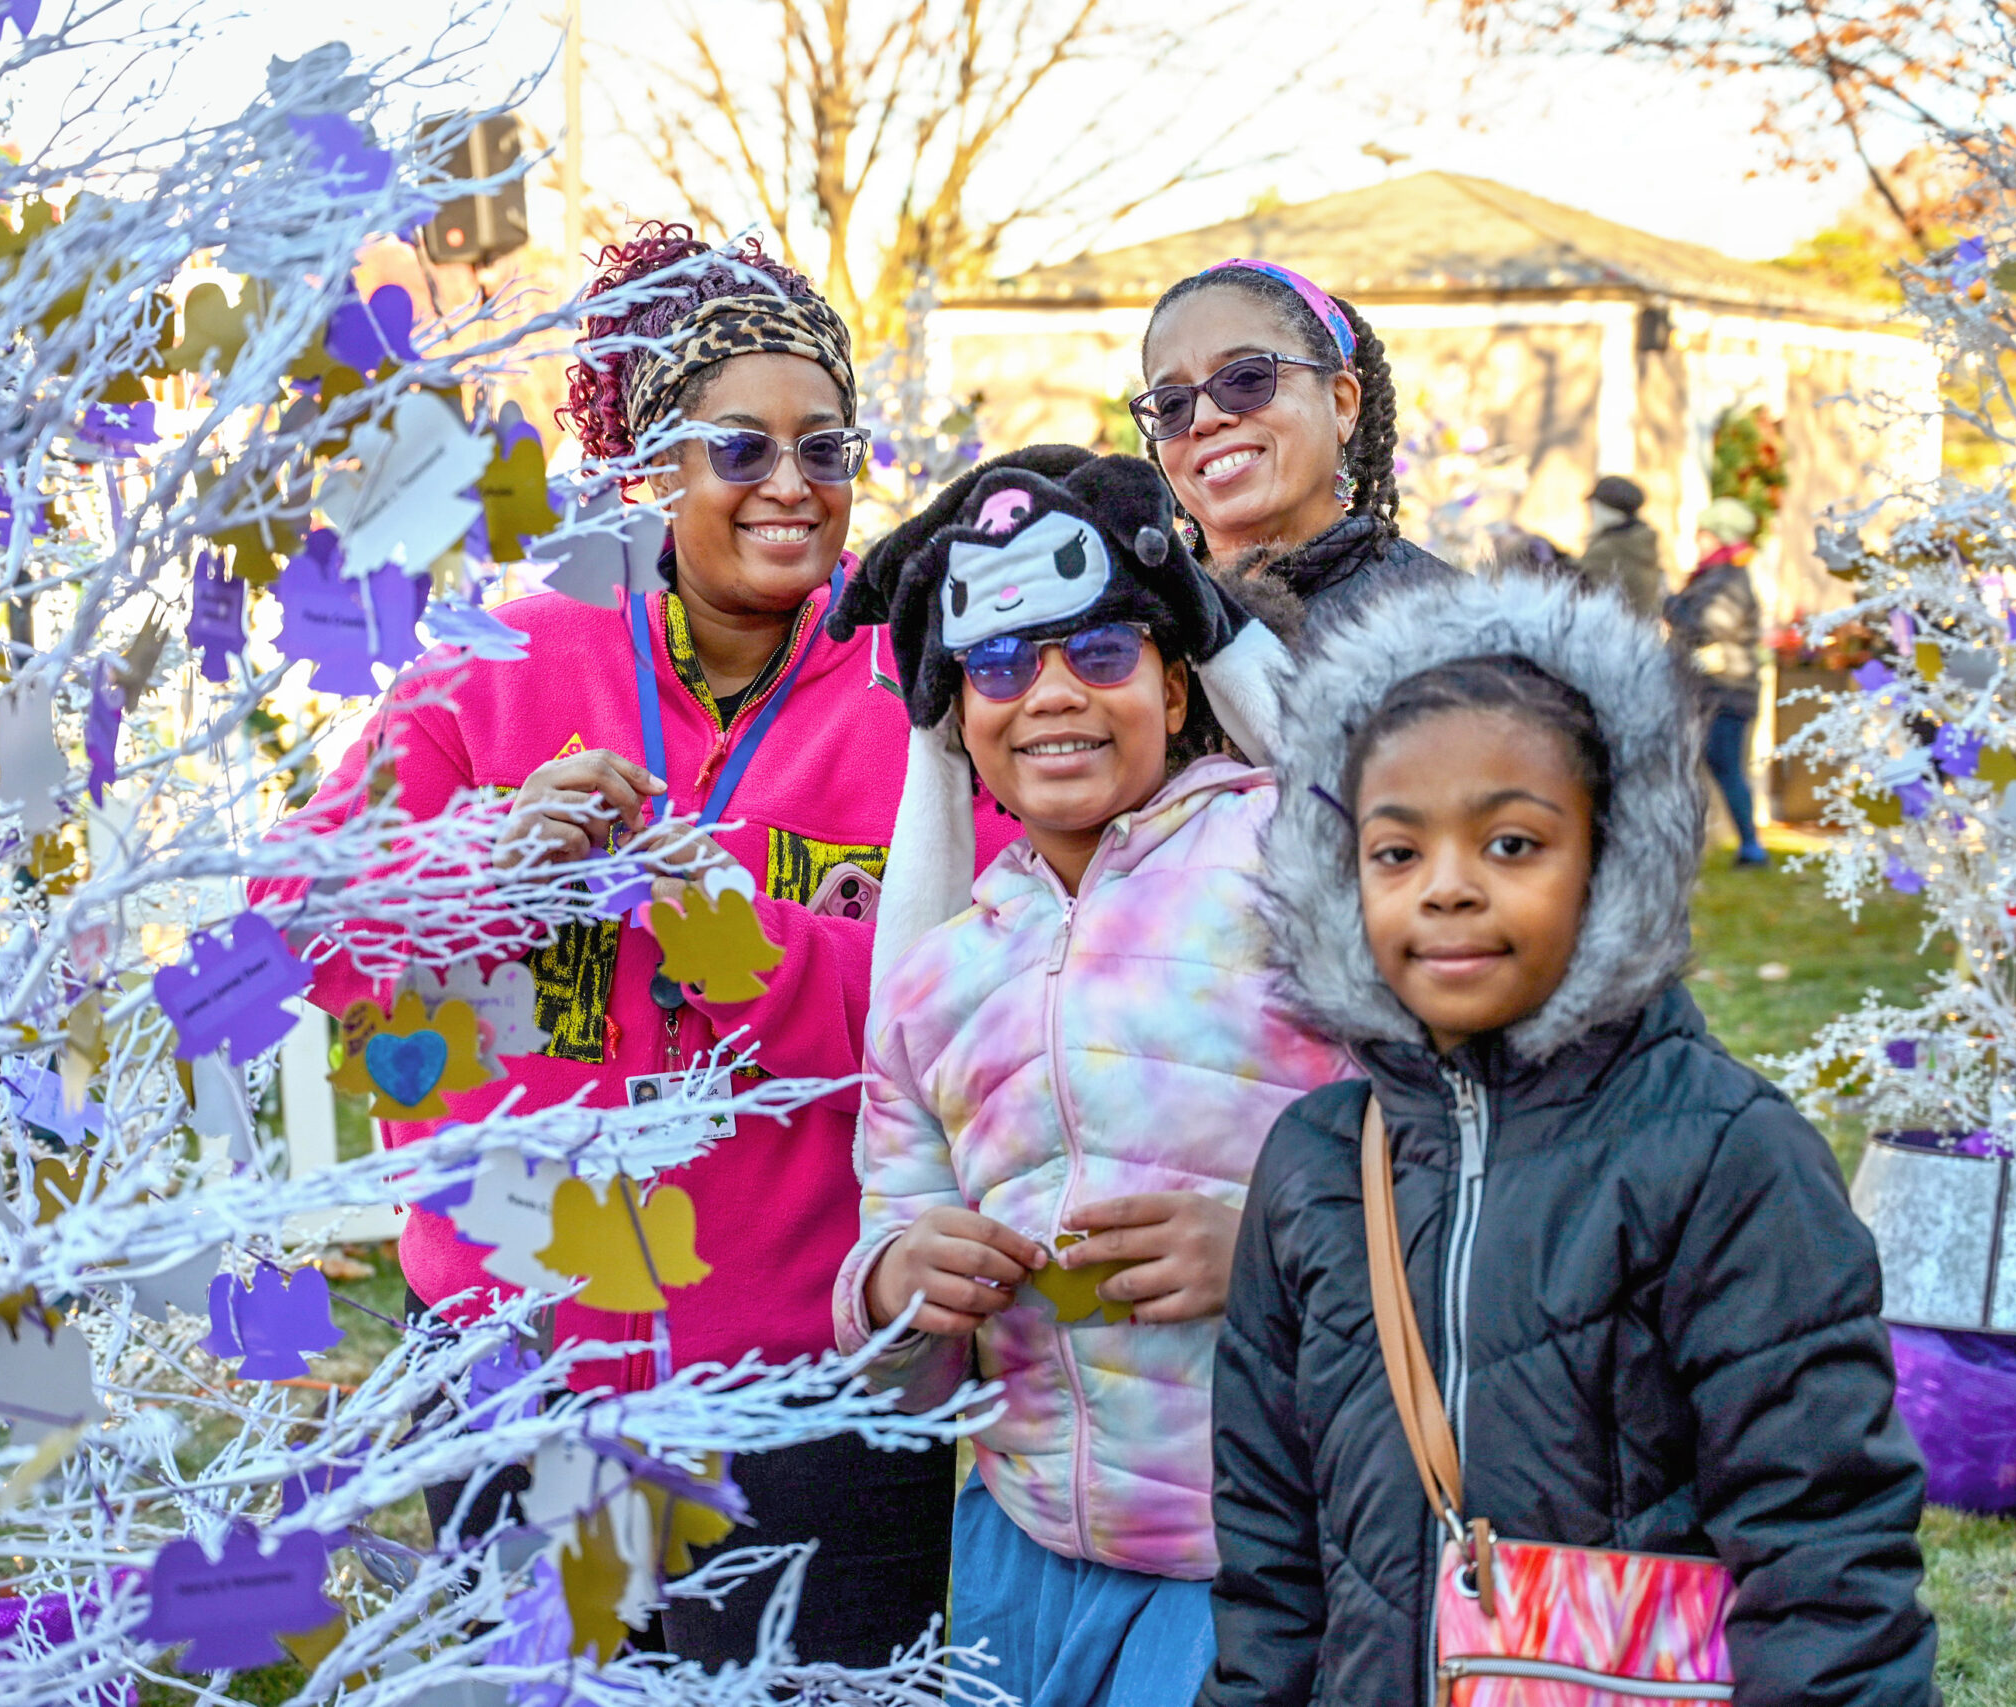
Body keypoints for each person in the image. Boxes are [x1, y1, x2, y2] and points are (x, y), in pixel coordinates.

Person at [257, 223, 1021, 1666]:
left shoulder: (919, 699)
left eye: (828, 447)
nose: (793, 485)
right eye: (741, 447)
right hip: (517, 1369)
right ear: (653, 464)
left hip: (818, 1389)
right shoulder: (502, 664)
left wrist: (716, 920)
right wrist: (481, 859)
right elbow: (288, 932)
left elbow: (966, 1000)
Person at [1204, 572, 1938, 1706]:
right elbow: (1269, 1556)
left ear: (1611, 857)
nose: (1445, 890)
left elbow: (1823, 1557)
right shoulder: (1313, 1164)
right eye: (1396, 853)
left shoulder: (1723, 1155)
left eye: (1509, 843)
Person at [829, 451, 1351, 1707]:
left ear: (1177, 686)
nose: (1049, 693)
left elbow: (1455, 1142)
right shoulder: (933, 976)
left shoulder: (1297, 857)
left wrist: (1268, 1246)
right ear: (959, 719)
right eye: (999, 667)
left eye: (1100, 653)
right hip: (1022, 1564)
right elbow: (899, 1353)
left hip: (1279, 1559)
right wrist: (897, 1290)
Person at [1134, 259, 1453, 635]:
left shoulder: (1458, 626)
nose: (1203, 419)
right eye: (1172, 404)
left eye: (1246, 378)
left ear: (1342, 404)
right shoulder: (1134, 634)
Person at [1668, 495, 1769, 866]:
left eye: (1704, 533)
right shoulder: (1715, 576)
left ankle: (1752, 849)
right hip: (1711, 689)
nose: (1698, 539)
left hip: (1727, 691)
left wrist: (1670, 603)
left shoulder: (1730, 581)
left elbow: (1706, 626)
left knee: (1725, 769)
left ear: (1720, 537)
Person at [1574, 472, 1665, 618]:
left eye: (1592, 509)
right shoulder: (1639, 541)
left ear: (1604, 511)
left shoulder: (1609, 550)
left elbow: (1578, 589)